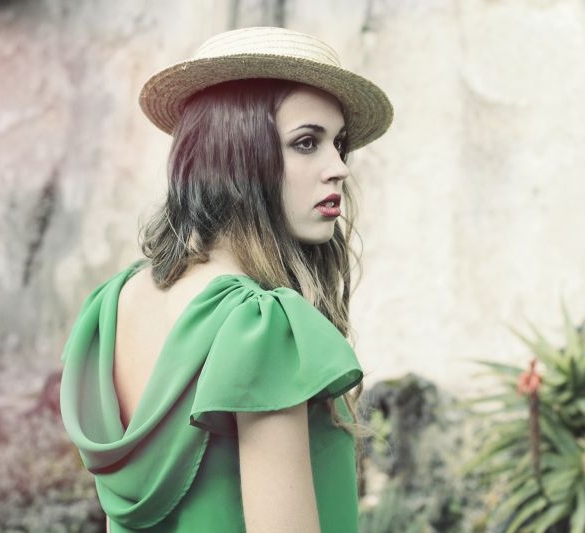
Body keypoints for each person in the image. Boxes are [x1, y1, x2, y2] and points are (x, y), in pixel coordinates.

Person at [60, 26, 393, 533]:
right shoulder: (260, 328)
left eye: (339, 145)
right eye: (307, 142)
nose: (338, 168)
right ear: (234, 153)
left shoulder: (116, 304)